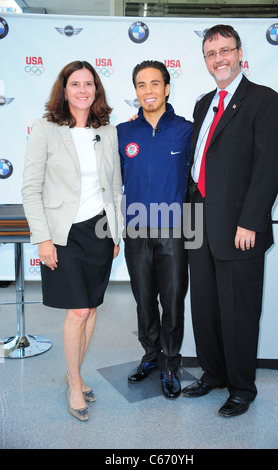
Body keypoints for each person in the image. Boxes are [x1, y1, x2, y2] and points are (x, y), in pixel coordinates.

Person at [182, 25, 278, 417]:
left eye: (226, 51)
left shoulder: (264, 100)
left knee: (239, 310)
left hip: (239, 227)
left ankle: (242, 387)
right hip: (198, 220)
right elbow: (198, 163)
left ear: (240, 54)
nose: (219, 59)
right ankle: (213, 373)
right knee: (205, 306)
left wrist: (251, 222)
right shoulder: (203, 103)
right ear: (205, 60)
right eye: (211, 54)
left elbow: (269, 167)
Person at [22, 60, 122, 421]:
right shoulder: (45, 128)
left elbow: (115, 186)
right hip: (62, 234)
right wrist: (43, 239)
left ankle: (72, 372)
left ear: (97, 90)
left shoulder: (107, 131)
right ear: (64, 90)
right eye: (75, 84)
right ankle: (75, 383)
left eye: (89, 84)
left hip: (99, 231)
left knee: (92, 307)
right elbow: (31, 189)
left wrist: (116, 230)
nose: (83, 90)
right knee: (77, 311)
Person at [117, 60, 193, 398]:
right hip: (135, 230)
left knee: (173, 303)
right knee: (144, 301)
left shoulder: (186, 130)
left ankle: (170, 364)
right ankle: (150, 356)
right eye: (141, 85)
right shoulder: (123, 132)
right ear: (135, 91)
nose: (148, 91)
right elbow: (109, 182)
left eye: (154, 83)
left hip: (173, 229)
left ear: (166, 87)